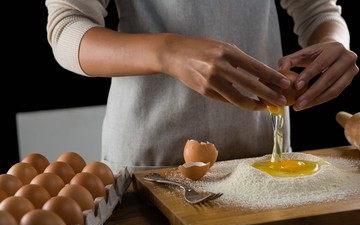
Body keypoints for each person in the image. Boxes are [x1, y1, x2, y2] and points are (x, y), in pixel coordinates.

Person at [45, 0, 358, 175]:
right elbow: (67, 28)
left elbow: (318, 10)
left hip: (262, 162)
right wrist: (167, 51)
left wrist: (332, 43)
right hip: (150, 168)